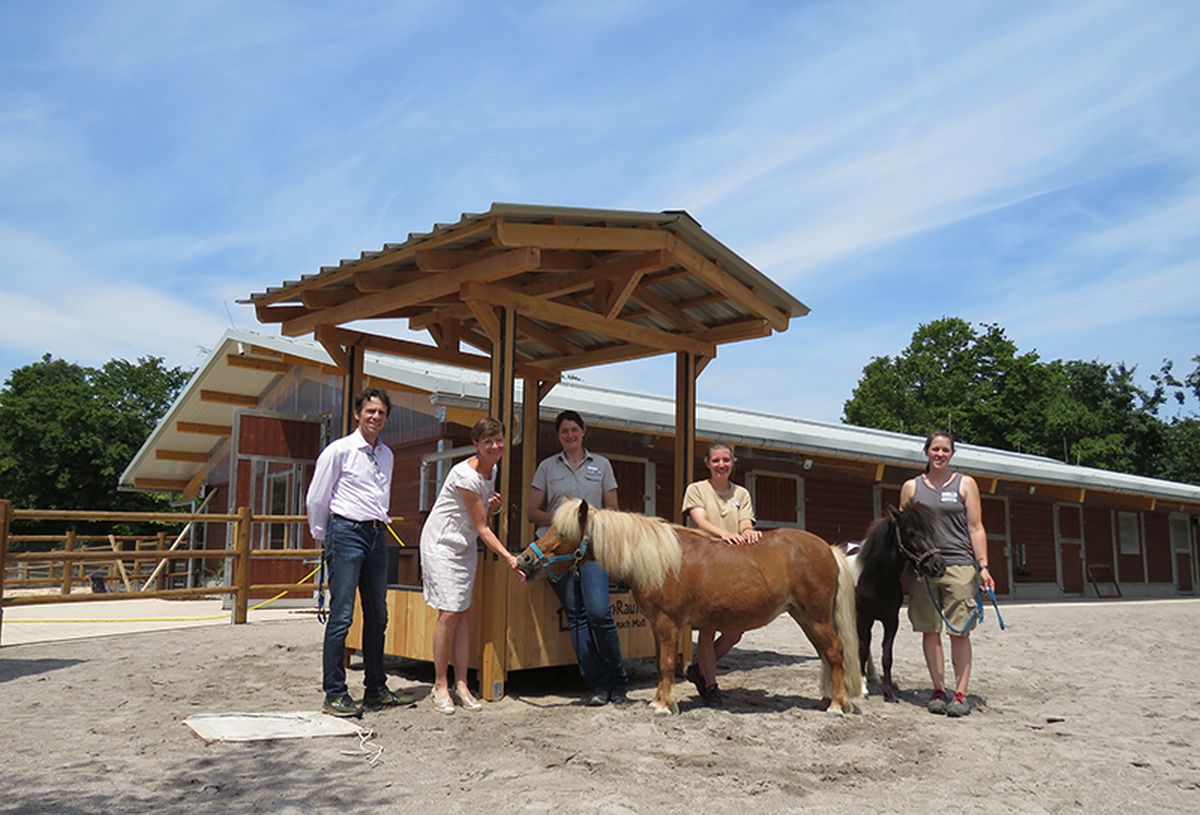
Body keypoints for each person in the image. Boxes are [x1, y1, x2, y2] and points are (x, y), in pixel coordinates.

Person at [306, 387, 414, 717]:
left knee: (377, 615)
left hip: (375, 534)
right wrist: (324, 536)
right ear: (357, 414)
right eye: (370, 411)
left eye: (381, 412)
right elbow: (317, 498)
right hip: (346, 532)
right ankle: (334, 692)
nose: (375, 417)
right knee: (342, 615)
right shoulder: (339, 451)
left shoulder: (387, 455)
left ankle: (376, 689)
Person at [420, 417, 522, 714]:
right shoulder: (464, 474)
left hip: (464, 546)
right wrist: (509, 557)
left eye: (499, 439)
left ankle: (462, 683)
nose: (495, 446)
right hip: (441, 544)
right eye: (487, 441)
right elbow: (482, 527)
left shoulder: (492, 470)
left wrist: (495, 505)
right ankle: (440, 684)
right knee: (449, 612)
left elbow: (482, 513)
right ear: (476, 444)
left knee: (462, 613)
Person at [527, 410, 628, 707]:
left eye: (574, 430)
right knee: (577, 616)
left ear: (584, 432)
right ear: (559, 436)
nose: (569, 435)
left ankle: (618, 681)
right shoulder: (547, 467)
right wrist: (564, 521)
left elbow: (613, 510)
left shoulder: (602, 465)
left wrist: (586, 525)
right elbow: (533, 511)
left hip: (593, 549)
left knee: (599, 614)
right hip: (557, 552)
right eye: (564, 432)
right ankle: (596, 685)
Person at [900, 430, 995, 718]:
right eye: (935, 449)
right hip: (925, 569)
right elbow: (906, 531)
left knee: (959, 631)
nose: (940, 454)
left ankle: (961, 693)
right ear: (926, 452)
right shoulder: (911, 487)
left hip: (959, 566)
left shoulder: (966, 484)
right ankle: (938, 689)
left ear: (952, 454)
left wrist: (984, 567)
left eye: (945, 450)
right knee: (930, 630)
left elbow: (976, 527)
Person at [681, 443, 762, 707]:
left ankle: (700, 669)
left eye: (726, 460)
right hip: (704, 564)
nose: (721, 465)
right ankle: (712, 685)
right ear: (708, 463)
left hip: (734, 565)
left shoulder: (742, 493)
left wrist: (748, 531)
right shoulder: (696, 489)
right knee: (708, 628)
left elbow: (745, 522)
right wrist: (723, 534)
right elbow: (699, 520)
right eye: (716, 460)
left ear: (733, 463)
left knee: (735, 631)